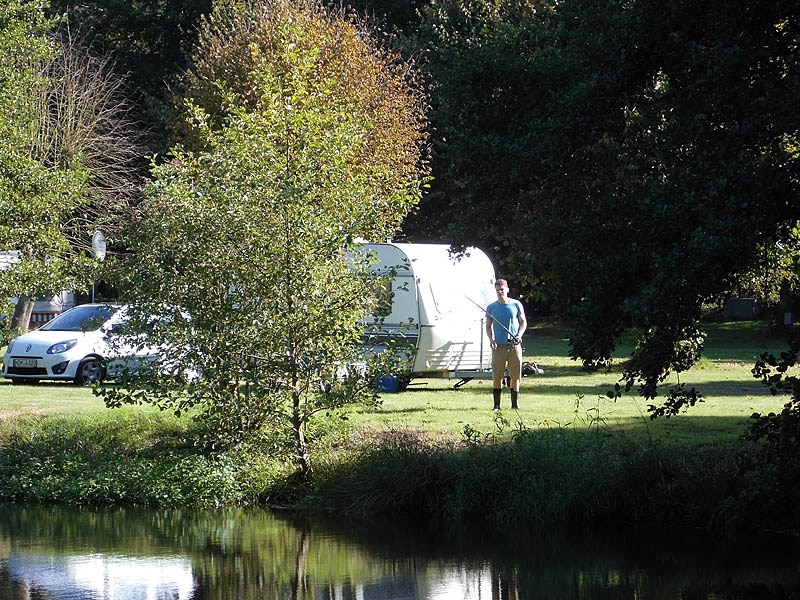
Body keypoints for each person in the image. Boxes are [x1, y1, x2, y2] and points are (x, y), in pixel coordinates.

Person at [485, 279, 527, 410]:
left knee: (515, 376)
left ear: (507, 289)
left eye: (502, 289)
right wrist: (491, 340)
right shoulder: (491, 307)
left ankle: (515, 404)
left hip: (514, 346)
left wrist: (519, 335)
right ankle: (496, 405)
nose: (500, 292)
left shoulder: (516, 304)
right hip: (499, 347)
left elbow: (523, 322)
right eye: (498, 290)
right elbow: (488, 326)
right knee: (497, 376)